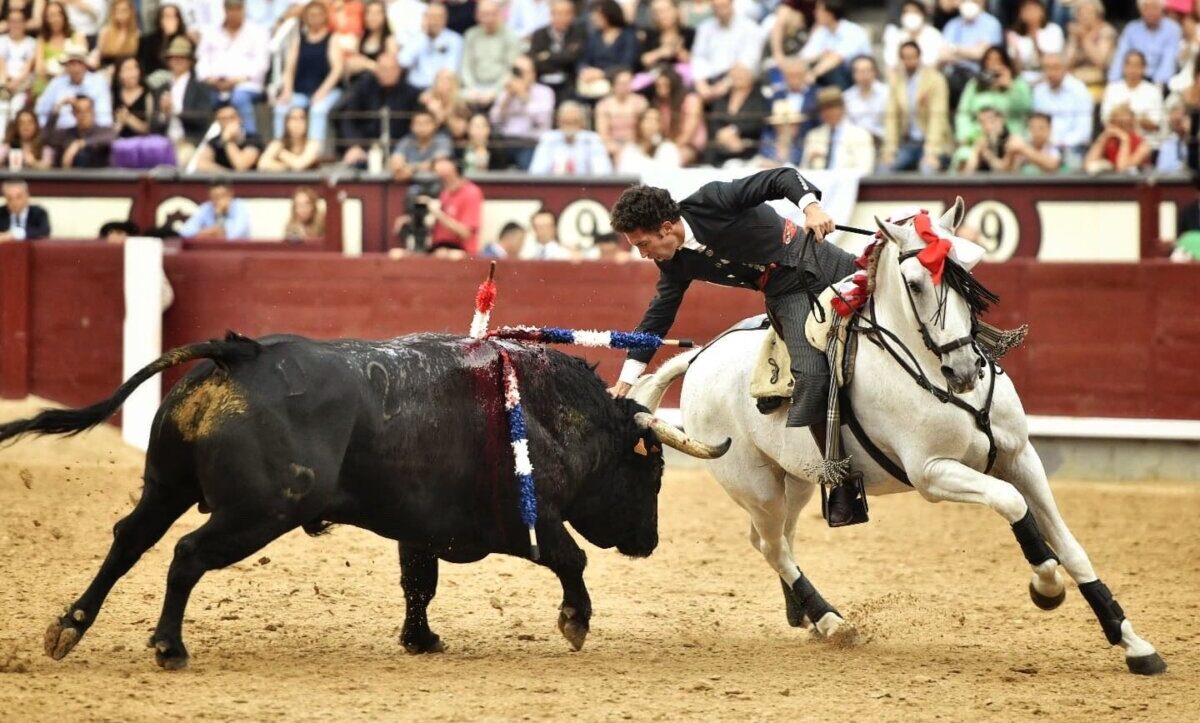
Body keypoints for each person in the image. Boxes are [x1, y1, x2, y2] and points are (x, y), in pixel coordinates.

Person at [607, 169, 867, 525]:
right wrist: (626, 380)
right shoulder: (675, 264)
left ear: (666, 228)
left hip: (824, 259)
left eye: (643, 244)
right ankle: (840, 479)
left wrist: (811, 208)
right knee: (810, 374)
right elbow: (657, 318)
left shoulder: (712, 200)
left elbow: (780, 178)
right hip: (788, 294)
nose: (642, 254)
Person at [196, 0, 270, 136]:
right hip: (215, 84)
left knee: (239, 97)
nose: (234, 13)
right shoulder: (210, 31)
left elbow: (262, 64)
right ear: (225, 10)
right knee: (201, 96)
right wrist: (210, 79)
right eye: (231, 9)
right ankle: (202, 137)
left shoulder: (257, 32)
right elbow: (202, 60)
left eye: (238, 9)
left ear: (244, 9)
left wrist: (236, 80)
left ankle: (250, 137)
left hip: (246, 84)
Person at [338, 52, 419, 164]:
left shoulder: (411, 93)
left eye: (391, 69)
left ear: (399, 71)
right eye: (383, 69)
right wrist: (355, 145)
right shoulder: (363, 88)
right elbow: (348, 119)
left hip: (400, 149)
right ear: (377, 70)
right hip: (365, 146)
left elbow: (416, 125)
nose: (387, 73)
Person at [883, 40, 951, 173]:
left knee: (927, 169)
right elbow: (891, 118)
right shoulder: (896, 82)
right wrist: (889, 150)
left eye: (912, 56)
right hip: (908, 143)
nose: (909, 60)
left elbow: (938, 117)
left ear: (919, 57)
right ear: (901, 59)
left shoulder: (935, 80)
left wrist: (931, 151)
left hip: (932, 143)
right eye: (905, 57)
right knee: (885, 168)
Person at [954, 45, 1031, 153]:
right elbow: (963, 113)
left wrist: (1010, 87)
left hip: (1011, 135)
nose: (993, 64)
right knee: (965, 154)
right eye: (989, 60)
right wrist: (965, 135)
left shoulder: (1018, 83)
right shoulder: (975, 84)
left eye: (998, 60)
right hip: (978, 135)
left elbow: (1025, 108)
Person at [488, 53, 555, 169]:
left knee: (527, 163)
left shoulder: (545, 92)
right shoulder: (506, 92)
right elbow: (494, 121)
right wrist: (507, 99)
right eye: (515, 71)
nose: (517, 76)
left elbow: (541, 120)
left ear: (532, 74)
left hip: (532, 142)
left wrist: (523, 96)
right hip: (506, 141)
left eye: (521, 72)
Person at [690, 0, 761, 102]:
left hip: (735, 81)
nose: (721, 11)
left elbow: (748, 61)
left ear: (732, 4)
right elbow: (699, 58)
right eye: (717, 7)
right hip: (709, 80)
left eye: (724, 6)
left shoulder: (749, 27)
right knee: (692, 100)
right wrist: (701, 84)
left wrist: (727, 83)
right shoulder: (705, 28)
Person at [1032, 52, 1093, 168]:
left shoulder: (1079, 91)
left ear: (1065, 68)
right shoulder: (1038, 91)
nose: (1051, 73)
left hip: (1071, 148)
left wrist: (1057, 143)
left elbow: (1083, 133)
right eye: (1047, 68)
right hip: (1043, 147)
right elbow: (1036, 124)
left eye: (1055, 67)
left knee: (1071, 160)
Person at [34, 40, 112, 128]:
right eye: (72, 64)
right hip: (61, 132)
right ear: (66, 66)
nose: (76, 68)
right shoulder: (56, 83)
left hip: (92, 132)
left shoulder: (99, 83)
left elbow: (104, 117)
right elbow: (40, 112)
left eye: (79, 63)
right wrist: (58, 106)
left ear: (85, 65)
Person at [704, 62, 769, 166]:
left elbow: (757, 121)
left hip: (746, 149)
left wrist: (732, 131)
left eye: (741, 72)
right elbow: (714, 120)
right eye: (734, 73)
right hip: (719, 148)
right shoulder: (722, 98)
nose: (737, 76)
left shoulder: (759, 98)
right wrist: (721, 134)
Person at [158, 35, 215, 155]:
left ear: (190, 61)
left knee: (182, 157)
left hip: (189, 142)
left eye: (182, 57)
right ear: (169, 61)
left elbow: (203, 119)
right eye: (174, 57)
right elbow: (153, 124)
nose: (178, 61)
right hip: (163, 143)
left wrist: (175, 111)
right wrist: (164, 114)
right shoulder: (161, 89)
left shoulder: (200, 88)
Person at [800, 86, 874, 172]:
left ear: (843, 108)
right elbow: (802, 172)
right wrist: (809, 160)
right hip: (817, 180)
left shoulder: (860, 135)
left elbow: (865, 170)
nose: (828, 112)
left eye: (833, 107)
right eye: (824, 109)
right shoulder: (813, 136)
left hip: (847, 180)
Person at [528, 100, 613, 175]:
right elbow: (537, 171)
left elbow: (602, 172)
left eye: (574, 122)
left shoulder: (592, 139)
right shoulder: (548, 138)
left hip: (583, 185)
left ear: (582, 123)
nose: (570, 126)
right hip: (554, 184)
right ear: (558, 122)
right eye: (566, 122)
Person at [799, 0, 871, 89]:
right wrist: (821, 55)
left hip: (854, 77)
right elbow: (804, 57)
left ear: (830, 14)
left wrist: (813, 74)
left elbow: (836, 58)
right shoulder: (821, 32)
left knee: (833, 69)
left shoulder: (853, 31)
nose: (815, 13)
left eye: (819, 10)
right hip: (826, 76)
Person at [460, 0, 519, 106]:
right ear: (477, 16)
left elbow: (511, 69)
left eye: (493, 14)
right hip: (474, 87)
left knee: (508, 97)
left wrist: (495, 91)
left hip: (501, 88)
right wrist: (472, 88)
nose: (489, 19)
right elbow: (465, 66)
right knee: (456, 97)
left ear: (499, 14)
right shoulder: (471, 35)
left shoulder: (510, 35)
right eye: (485, 15)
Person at [1109, 0, 1182, 86]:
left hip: (1159, 82)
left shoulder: (1173, 29)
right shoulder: (1131, 29)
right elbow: (1120, 56)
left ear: (1161, 8)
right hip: (1132, 78)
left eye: (1154, 7)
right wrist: (1113, 82)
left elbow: (1168, 61)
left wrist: (1157, 85)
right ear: (1140, 10)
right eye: (1146, 8)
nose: (1150, 12)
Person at [421, 156, 483, 256]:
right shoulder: (444, 193)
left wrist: (438, 213)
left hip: (462, 253)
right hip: (439, 250)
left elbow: (465, 233)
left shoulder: (471, 192)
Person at [577, 0, 637, 98]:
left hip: (616, 79)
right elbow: (584, 59)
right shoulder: (594, 36)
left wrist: (603, 74)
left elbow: (627, 63)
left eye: (598, 15)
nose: (594, 18)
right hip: (593, 79)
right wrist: (584, 71)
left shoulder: (627, 35)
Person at [647, 64, 705, 165]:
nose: (660, 89)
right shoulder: (659, 104)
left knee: (669, 156)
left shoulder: (691, 100)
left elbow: (689, 133)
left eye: (665, 85)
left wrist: (671, 148)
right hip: (666, 145)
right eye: (658, 86)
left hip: (689, 146)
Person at [398, 1, 463, 90]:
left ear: (445, 19)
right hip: (415, 88)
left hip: (442, 89)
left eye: (438, 17)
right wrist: (424, 36)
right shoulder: (416, 38)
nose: (434, 21)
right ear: (425, 18)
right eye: (431, 16)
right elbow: (403, 61)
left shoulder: (455, 40)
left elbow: (451, 69)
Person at [529, 0, 584, 101]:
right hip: (542, 82)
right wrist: (562, 56)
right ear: (551, 15)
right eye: (558, 13)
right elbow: (535, 61)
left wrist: (548, 56)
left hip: (568, 83)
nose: (562, 17)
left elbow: (572, 59)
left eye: (567, 13)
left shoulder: (578, 33)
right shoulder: (539, 34)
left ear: (572, 15)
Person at [1101, 50, 1164, 135]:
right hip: (1117, 137)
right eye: (1129, 65)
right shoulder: (1112, 89)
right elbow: (1105, 120)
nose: (1132, 69)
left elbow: (1155, 124)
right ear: (1123, 67)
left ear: (1144, 68)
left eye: (1136, 65)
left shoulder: (1153, 91)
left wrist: (1132, 116)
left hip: (1145, 139)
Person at [192, 101, 263, 171]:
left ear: (240, 119)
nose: (228, 122)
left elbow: (241, 166)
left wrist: (229, 141)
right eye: (223, 119)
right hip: (223, 177)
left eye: (232, 118)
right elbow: (201, 164)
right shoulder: (214, 141)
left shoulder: (253, 140)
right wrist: (226, 175)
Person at [45, 94, 114, 167]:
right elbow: (47, 137)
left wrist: (79, 144)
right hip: (69, 173)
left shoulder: (103, 131)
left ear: (93, 112)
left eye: (87, 110)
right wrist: (58, 106)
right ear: (73, 113)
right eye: (79, 111)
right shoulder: (67, 133)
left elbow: (111, 137)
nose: (83, 115)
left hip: (97, 173)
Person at [1064, 0, 1116, 95]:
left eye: (1089, 13)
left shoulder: (1106, 31)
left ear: (1098, 16)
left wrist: (1084, 39)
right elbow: (1067, 64)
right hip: (1075, 83)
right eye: (1081, 13)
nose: (1085, 17)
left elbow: (1100, 62)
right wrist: (1075, 41)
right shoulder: (1075, 33)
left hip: (1099, 82)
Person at [32, 1, 84, 95]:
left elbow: (81, 64)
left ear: (64, 16)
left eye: (58, 14)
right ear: (46, 19)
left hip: (72, 83)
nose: (55, 19)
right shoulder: (42, 40)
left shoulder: (77, 37)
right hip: (47, 84)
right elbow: (39, 69)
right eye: (51, 15)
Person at [1084, 103, 1153, 173]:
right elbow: (1088, 164)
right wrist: (1103, 138)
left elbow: (1122, 169)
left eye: (1126, 125)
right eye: (1118, 124)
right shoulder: (1109, 140)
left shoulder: (1142, 146)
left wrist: (1125, 140)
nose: (1123, 129)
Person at [595, 67, 649, 158]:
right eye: (621, 83)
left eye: (628, 83)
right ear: (613, 85)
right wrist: (613, 146)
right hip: (612, 146)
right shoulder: (604, 105)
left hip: (635, 144)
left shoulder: (640, 102)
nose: (625, 86)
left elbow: (645, 130)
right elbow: (603, 134)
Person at [388, 107, 454, 181]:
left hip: (436, 182)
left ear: (435, 125)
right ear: (411, 126)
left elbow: (438, 161)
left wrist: (412, 169)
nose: (422, 127)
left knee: (442, 166)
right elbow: (396, 158)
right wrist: (399, 167)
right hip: (409, 181)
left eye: (426, 123)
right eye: (418, 123)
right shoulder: (407, 140)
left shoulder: (442, 139)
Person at [1005, 0, 1064, 82]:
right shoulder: (1014, 34)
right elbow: (1015, 68)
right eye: (1027, 9)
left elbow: (1053, 60)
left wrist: (1035, 43)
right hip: (1024, 77)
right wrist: (1016, 51)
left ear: (1042, 12)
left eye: (1034, 9)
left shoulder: (1053, 30)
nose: (1031, 13)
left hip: (1048, 76)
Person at [179, 179, 252, 239]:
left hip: (237, 250)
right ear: (210, 196)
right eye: (215, 197)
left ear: (231, 194)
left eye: (223, 196)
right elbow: (185, 232)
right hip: (210, 249)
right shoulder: (206, 208)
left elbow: (236, 234)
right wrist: (208, 232)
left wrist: (219, 215)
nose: (219, 200)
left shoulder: (239, 206)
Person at [881, 0, 943, 71]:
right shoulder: (896, 36)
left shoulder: (934, 35)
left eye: (915, 12)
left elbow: (936, 61)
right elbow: (891, 63)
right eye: (907, 12)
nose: (911, 15)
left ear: (923, 14)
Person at [111, 56, 164, 138]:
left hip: (142, 142)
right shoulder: (113, 94)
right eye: (127, 69)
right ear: (118, 74)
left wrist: (129, 118)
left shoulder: (148, 94)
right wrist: (119, 123)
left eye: (135, 68)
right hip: (119, 142)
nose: (132, 74)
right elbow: (109, 131)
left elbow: (150, 128)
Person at [616, 106, 681, 173]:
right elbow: (623, 173)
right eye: (647, 120)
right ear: (640, 124)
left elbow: (670, 173)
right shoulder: (630, 148)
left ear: (660, 126)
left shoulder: (668, 148)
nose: (651, 124)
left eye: (655, 120)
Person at [137, 3, 188, 86]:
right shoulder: (148, 41)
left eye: (174, 16)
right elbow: (143, 65)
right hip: (152, 82)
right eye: (167, 16)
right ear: (160, 19)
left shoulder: (185, 42)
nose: (170, 20)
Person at [345, 0, 398, 79]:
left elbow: (391, 71)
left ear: (384, 16)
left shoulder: (390, 41)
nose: (373, 17)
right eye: (369, 13)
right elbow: (354, 62)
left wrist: (367, 64)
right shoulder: (360, 38)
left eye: (377, 13)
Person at [257, 105, 319, 170]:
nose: (297, 123)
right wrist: (286, 167)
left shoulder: (313, 144)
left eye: (302, 118)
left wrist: (281, 153)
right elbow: (262, 164)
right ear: (286, 123)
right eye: (293, 118)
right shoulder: (278, 143)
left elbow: (299, 165)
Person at [0, 9, 36, 120]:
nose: (16, 25)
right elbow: (1, 64)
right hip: (4, 83)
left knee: (16, 108)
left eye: (19, 21)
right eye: (12, 21)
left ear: (25, 23)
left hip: (23, 85)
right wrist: (6, 82)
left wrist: (16, 82)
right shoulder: (2, 41)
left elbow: (28, 66)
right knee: (2, 109)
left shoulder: (32, 43)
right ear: (8, 23)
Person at [639, 0, 694, 72]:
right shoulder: (650, 34)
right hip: (656, 73)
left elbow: (697, 61)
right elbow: (643, 60)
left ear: (676, 10)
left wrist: (678, 51)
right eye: (657, 12)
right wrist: (661, 52)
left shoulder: (689, 33)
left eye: (666, 10)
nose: (662, 15)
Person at [843, 54, 887, 145]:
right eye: (860, 71)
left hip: (882, 140)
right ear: (853, 74)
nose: (864, 75)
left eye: (868, 70)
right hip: (856, 142)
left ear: (875, 72)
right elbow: (845, 125)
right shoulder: (846, 97)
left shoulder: (887, 93)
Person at [90, 0, 138, 72]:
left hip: (127, 72)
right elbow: (97, 52)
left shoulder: (136, 34)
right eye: (118, 11)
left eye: (124, 10)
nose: (121, 15)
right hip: (105, 70)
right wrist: (94, 58)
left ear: (131, 12)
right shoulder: (105, 32)